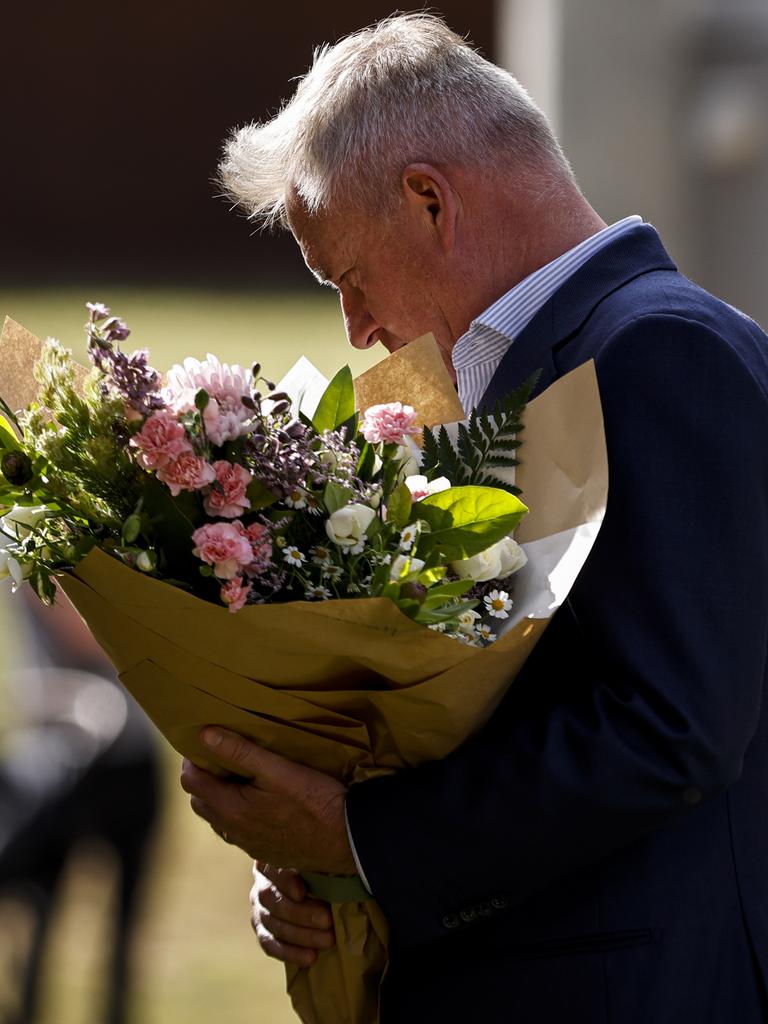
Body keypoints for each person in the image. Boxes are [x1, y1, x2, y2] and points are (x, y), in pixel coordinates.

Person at [179, 13, 768, 1022]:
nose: (357, 329)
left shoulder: (660, 353)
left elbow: (673, 725)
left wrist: (367, 837)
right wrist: (330, 856)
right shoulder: (512, 378)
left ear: (428, 200)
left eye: (345, 279)